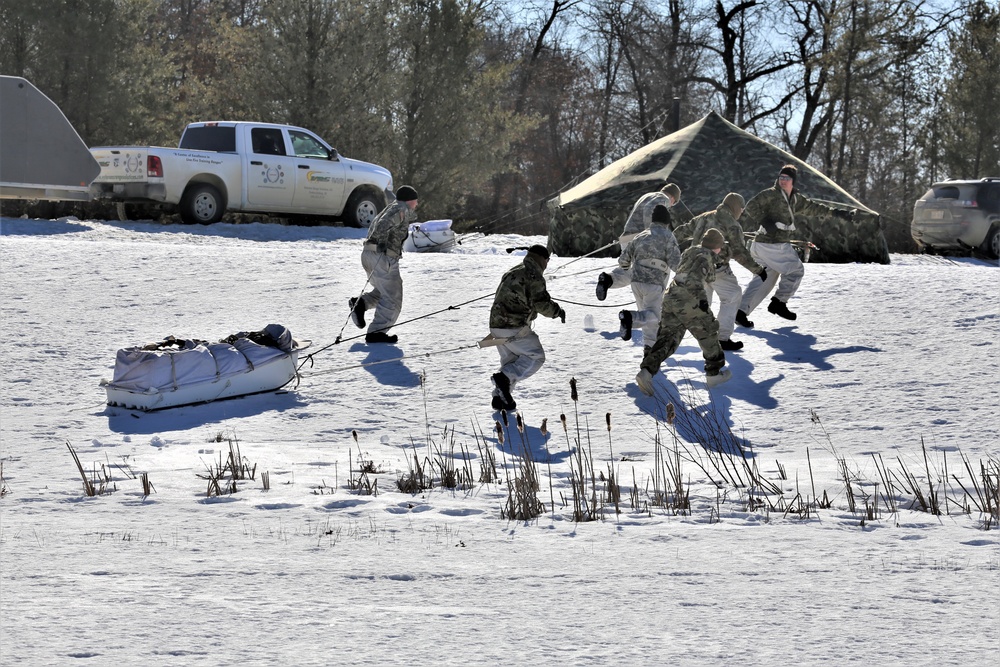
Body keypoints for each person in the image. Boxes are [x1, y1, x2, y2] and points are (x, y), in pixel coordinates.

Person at [736, 165, 857, 326]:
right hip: (771, 244)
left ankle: (740, 312)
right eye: (781, 177)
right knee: (795, 270)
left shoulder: (795, 199)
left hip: (765, 246)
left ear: (793, 181)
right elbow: (751, 206)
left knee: (765, 279)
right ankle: (779, 303)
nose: (783, 181)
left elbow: (814, 208)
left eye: (787, 178)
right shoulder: (771, 194)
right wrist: (765, 220)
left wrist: (838, 213)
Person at [635, 228, 731, 395]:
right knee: (708, 330)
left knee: (669, 338)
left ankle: (646, 372)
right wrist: (701, 302)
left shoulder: (690, 251)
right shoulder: (706, 256)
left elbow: (688, 271)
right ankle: (714, 374)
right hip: (689, 296)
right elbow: (699, 277)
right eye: (720, 247)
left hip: (671, 295)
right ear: (716, 247)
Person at [672, 193, 766, 351]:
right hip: (717, 269)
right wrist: (757, 270)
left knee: (701, 304)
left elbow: (684, 230)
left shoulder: (704, 217)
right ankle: (722, 338)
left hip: (696, 268)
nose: (741, 212)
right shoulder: (732, 225)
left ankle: (671, 334)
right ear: (735, 207)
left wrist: (666, 241)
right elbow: (739, 252)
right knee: (732, 295)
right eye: (741, 209)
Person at [488, 245, 566, 411]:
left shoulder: (513, 270)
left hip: (495, 326)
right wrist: (557, 312)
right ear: (543, 260)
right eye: (547, 261)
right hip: (513, 326)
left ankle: (500, 398)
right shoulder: (534, 275)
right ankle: (503, 379)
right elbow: (542, 304)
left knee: (512, 362)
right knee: (536, 357)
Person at [349, 185, 419, 344]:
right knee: (393, 299)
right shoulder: (402, 209)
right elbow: (382, 227)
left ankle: (361, 304)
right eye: (416, 201)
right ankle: (376, 333)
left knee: (384, 292)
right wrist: (381, 245)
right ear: (410, 200)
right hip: (382, 257)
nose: (417, 204)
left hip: (369, 255)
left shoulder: (390, 208)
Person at [596, 183, 681, 301]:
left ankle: (608, 279)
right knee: (656, 271)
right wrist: (652, 233)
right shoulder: (663, 198)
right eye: (674, 203)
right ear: (673, 198)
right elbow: (649, 209)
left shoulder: (646, 196)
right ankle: (653, 306)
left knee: (630, 271)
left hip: (627, 238)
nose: (671, 206)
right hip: (642, 240)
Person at [616, 205, 682, 352]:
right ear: (666, 221)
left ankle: (648, 349)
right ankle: (630, 318)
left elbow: (623, 260)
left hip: (636, 282)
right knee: (655, 317)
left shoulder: (640, 236)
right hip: (654, 283)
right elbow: (676, 264)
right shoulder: (668, 236)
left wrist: (627, 267)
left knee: (646, 316)